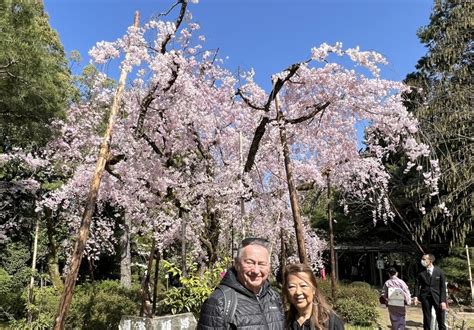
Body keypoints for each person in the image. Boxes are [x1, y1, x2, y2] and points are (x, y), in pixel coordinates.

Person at [197, 237, 284, 329]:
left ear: (269, 267)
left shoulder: (274, 298)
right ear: (237, 264)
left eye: (262, 264)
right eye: (250, 263)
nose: (256, 270)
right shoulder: (219, 302)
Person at [282, 263, 344, 330]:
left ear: (313, 289)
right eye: (292, 287)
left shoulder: (331, 321)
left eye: (303, 286)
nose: (298, 292)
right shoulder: (282, 321)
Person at [413, 253, 447, 330]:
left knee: (441, 318)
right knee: (427, 318)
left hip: (437, 297)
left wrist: (443, 301)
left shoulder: (439, 271)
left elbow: (443, 287)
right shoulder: (420, 272)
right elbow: (417, 285)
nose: (422, 261)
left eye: (424, 259)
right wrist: (416, 296)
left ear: (430, 261)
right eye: (422, 259)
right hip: (425, 297)